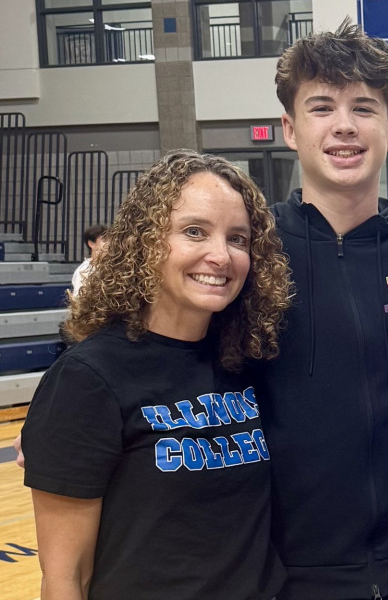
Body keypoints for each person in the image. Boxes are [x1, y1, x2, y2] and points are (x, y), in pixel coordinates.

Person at [21, 150, 292, 599]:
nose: (221, 256)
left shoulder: (247, 359)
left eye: (237, 239)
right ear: (146, 242)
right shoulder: (88, 377)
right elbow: (66, 576)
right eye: (194, 232)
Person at [258, 19, 388, 599]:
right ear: (290, 129)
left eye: (363, 108)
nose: (344, 125)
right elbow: (158, 341)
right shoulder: (251, 252)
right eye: (322, 107)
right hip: (289, 575)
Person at [70, 224, 108, 292]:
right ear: (91, 244)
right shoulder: (83, 271)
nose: (109, 243)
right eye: (105, 240)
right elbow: (79, 297)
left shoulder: (112, 267)